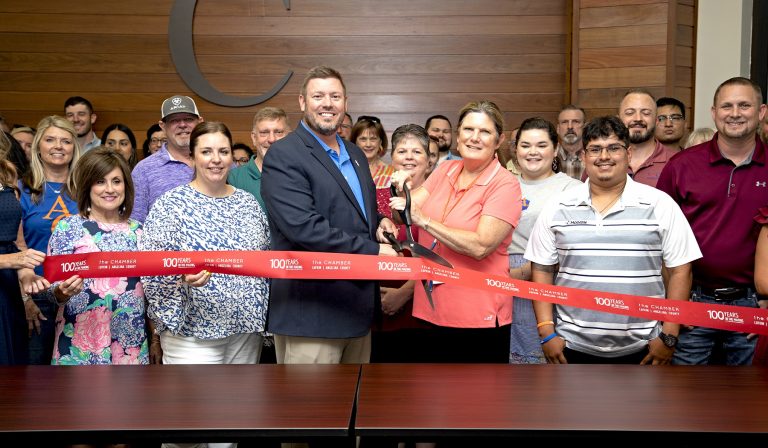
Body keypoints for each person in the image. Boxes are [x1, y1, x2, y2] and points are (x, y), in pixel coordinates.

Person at [526, 116, 701, 364]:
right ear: (584, 156)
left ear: (628, 153)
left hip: (644, 349)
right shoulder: (559, 205)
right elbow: (542, 269)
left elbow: (681, 270)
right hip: (571, 347)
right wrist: (546, 332)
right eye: (595, 149)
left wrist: (669, 335)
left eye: (613, 148)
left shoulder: (660, 204)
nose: (604, 156)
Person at [261, 65, 398, 365]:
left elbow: (354, 208)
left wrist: (378, 222)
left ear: (346, 104)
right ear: (302, 102)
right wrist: (375, 251)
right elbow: (303, 228)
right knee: (311, 411)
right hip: (312, 314)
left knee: (355, 409)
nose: (327, 103)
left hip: (357, 311)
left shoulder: (355, 153)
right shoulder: (284, 154)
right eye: (318, 96)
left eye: (335, 96)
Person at [390, 100, 521, 363]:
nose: (474, 138)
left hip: (478, 315)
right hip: (431, 306)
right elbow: (403, 213)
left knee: (474, 402)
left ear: (499, 140)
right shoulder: (447, 169)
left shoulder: (506, 184)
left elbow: (481, 246)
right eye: (468, 129)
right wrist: (399, 187)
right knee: (429, 399)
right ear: (457, 135)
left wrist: (424, 220)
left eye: (484, 132)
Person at [140, 122, 270, 370]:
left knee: (242, 408)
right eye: (206, 152)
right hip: (191, 335)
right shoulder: (171, 205)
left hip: (244, 332)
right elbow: (151, 269)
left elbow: (263, 260)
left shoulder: (248, 204)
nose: (216, 160)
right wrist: (181, 276)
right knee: (195, 409)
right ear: (193, 156)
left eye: (223, 152)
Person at [657, 77, 768, 365]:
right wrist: (676, 302)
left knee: (749, 399)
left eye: (744, 105)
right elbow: (659, 238)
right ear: (713, 112)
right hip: (693, 300)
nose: (735, 113)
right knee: (684, 398)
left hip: (754, 305)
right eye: (727, 106)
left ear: (762, 112)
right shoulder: (681, 166)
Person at [47, 147, 148, 365]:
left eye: (116, 181)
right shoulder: (68, 228)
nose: (109, 189)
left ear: (126, 186)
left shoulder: (139, 232)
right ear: (87, 186)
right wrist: (61, 292)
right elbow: (50, 290)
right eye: (100, 182)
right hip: (78, 344)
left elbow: (153, 289)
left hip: (130, 346)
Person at [507, 117, 581, 364]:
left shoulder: (571, 189)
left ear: (555, 148)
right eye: (525, 145)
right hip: (499, 282)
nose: (533, 152)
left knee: (540, 361)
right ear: (516, 149)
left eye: (541, 145)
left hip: (545, 278)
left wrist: (518, 273)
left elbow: (572, 246)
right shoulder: (504, 184)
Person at [19, 116, 81, 364]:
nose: (58, 146)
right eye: (50, 140)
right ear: (38, 146)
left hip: (79, 293)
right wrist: (24, 297)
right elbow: (16, 247)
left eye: (66, 141)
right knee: (36, 378)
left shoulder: (87, 189)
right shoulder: (21, 188)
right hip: (37, 296)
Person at [372, 124, 433, 363]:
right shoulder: (374, 198)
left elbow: (445, 257)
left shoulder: (441, 201)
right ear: (392, 158)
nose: (409, 157)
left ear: (429, 161)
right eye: (402, 151)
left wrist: (404, 293)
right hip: (378, 308)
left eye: (417, 152)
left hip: (425, 309)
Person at [0, 132, 47, 365]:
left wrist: (27, 275)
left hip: (7, 290)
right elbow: (13, 256)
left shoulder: (6, 174)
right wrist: (10, 261)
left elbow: (16, 243)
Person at [131, 95, 203, 223]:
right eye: (174, 120)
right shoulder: (143, 170)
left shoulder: (218, 163)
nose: (182, 125)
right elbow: (135, 224)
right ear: (162, 126)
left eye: (188, 119)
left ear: (200, 122)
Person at [228, 106, 289, 210]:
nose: (271, 139)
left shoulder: (301, 173)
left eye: (278, 132)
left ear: (288, 136)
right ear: (254, 138)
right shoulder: (234, 178)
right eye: (264, 132)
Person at [351, 115, 393, 216]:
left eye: (373, 139)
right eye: (363, 139)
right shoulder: (347, 171)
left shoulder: (393, 173)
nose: (368, 144)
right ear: (354, 142)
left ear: (380, 142)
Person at [556, 105, 587, 180]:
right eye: (564, 122)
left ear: (585, 127)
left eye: (576, 122)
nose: (570, 126)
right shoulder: (550, 157)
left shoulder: (593, 156)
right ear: (558, 129)